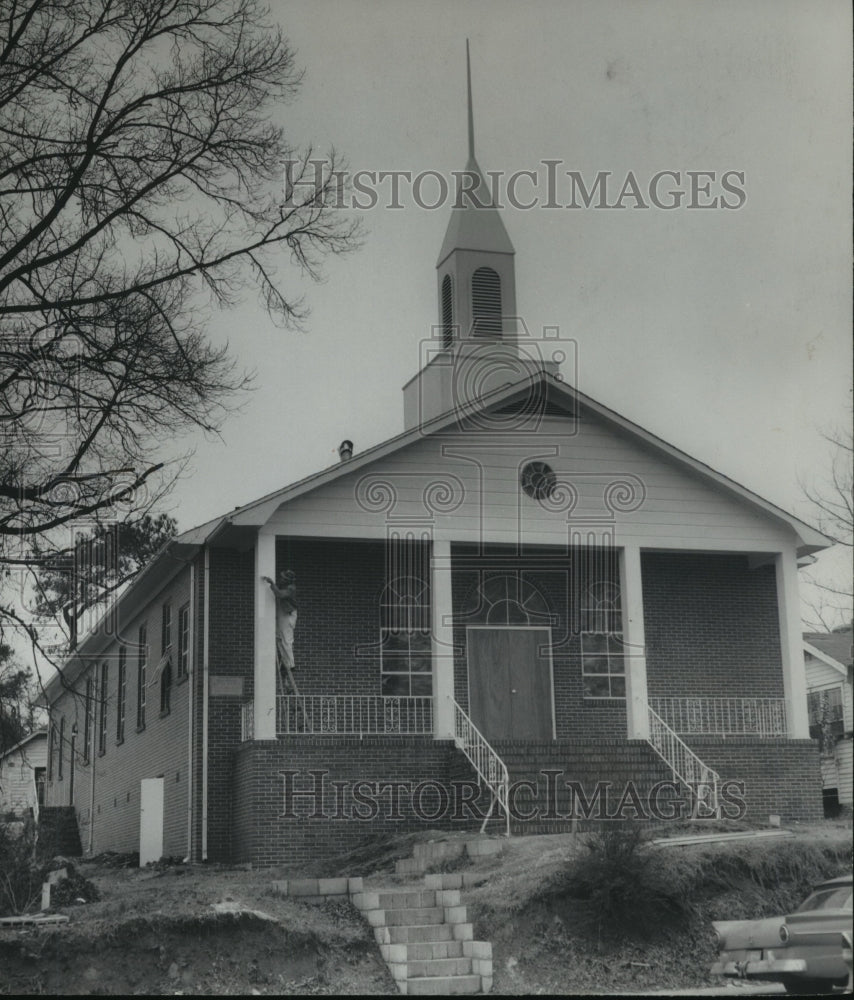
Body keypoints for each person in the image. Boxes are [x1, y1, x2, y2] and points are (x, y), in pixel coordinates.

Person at [262, 570, 298, 680]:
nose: (281, 579)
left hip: (288, 614)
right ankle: (285, 662)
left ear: (287, 580)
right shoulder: (286, 587)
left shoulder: (291, 588)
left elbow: (280, 594)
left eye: (283, 578)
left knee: (287, 639)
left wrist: (272, 584)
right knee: (280, 638)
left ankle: (291, 665)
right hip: (283, 614)